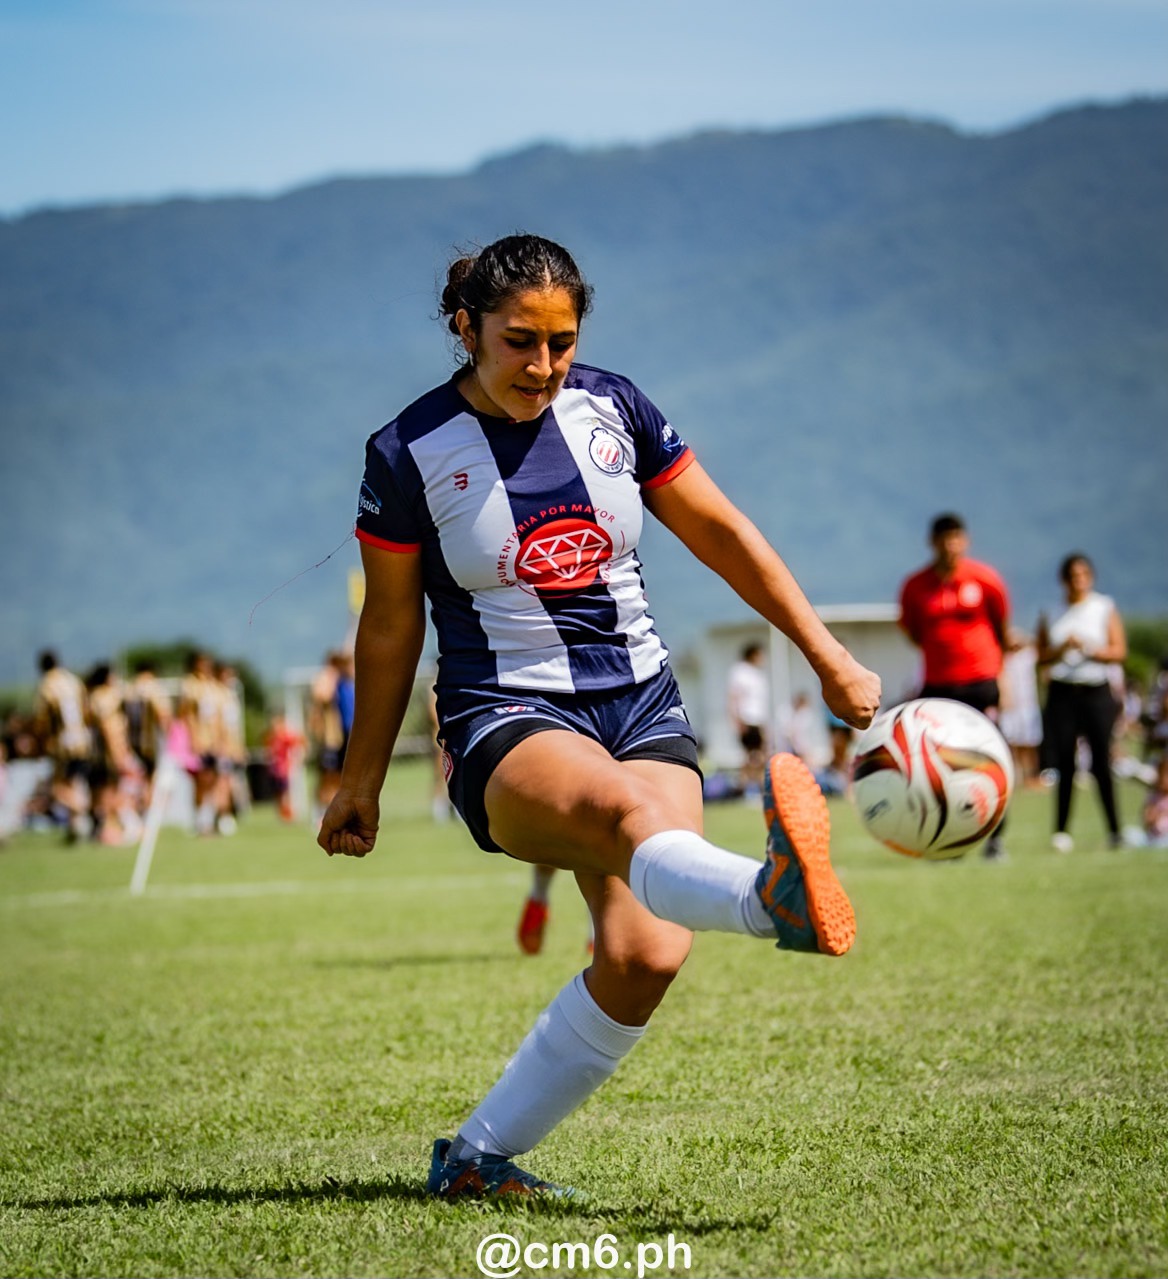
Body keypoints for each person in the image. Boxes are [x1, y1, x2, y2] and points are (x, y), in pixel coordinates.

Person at [318, 234, 880, 1200]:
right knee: (632, 818)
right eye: (518, 342)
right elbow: (389, 625)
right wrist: (360, 775)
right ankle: (769, 898)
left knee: (646, 950)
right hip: (507, 714)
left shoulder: (615, 408)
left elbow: (723, 533)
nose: (542, 366)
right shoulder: (407, 450)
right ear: (467, 329)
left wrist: (827, 654)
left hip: (642, 697)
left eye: (561, 341)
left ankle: (475, 1159)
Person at [898, 512, 1011, 859]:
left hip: (981, 681)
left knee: (989, 759)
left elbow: (1001, 627)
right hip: (938, 685)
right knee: (939, 763)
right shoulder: (916, 586)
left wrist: (997, 672)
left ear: (965, 540)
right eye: (944, 539)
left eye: (956, 537)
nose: (950, 545)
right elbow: (912, 630)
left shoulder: (985, 579)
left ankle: (994, 839)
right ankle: (950, 838)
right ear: (932, 543)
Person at [1036, 553, 1127, 851]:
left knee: (1102, 761)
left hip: (1095, 691)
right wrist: (1062, 648)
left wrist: (1089, 649)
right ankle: (1061, 831)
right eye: (1073, 575)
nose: (1078, 580)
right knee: (1064, 762)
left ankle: (1115, 830)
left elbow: (1118, 650)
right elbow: (1040, 656)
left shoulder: (1103, 606)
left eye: (1083, 574)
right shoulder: (1052, 611)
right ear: (1064, 580)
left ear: (1090, 577)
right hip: (1063, 691)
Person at [33, 650, 94, 842]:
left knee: (58, 788)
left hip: (63, 743)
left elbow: (42, 720)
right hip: (82, 738)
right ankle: (75, 829)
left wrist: (41, 741)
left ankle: (82, 810)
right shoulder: (73, 680)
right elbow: (86, 709)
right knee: (74, 783)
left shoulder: (47, 685)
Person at [999, 629, 1044, 789]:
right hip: (1009, 708)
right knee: (1012, 744)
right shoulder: (1000, 657)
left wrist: (1023, 638)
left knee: (1029, 744)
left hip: (1028, 706)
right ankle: (1015, 777)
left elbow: (1040, 644)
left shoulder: (1028, 655)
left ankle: (1032, 776)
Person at [727, 642, 770, 796]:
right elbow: (734, 697)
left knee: (761, 755)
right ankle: (744, 788)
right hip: (746, 718)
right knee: (750, 756)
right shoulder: (740, 672)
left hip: (759, 720)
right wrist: (737, 720)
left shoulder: (758, 675)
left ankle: (759, 787)